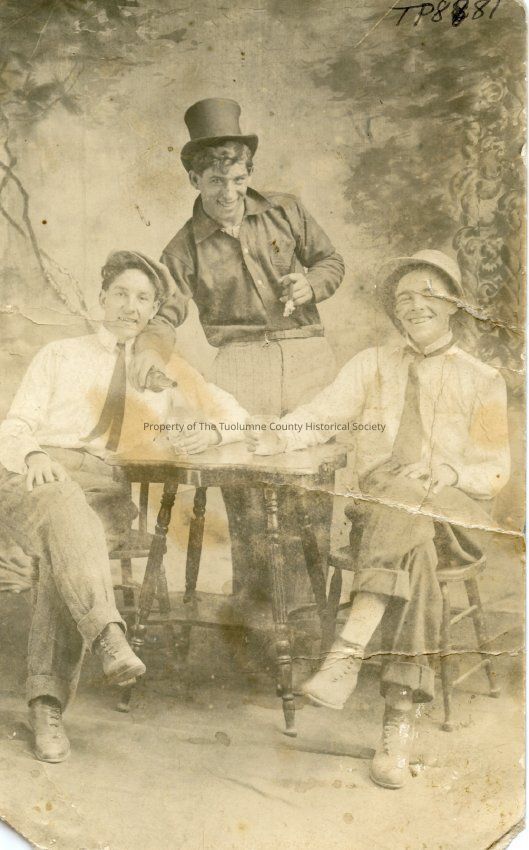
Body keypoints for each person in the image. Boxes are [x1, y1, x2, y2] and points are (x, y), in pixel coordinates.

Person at [247, 249, 510, 789]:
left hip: (454, 517)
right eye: (404, 297)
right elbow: (321, 415)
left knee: (413, 500)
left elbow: (495, 472)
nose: (415, 305)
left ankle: (348, 651)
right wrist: (269, 435)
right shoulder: (372, 364)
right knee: (414, 550)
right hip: (386, 518)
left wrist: (449, 473)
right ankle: (399, 721)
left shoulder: (481, 378)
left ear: (454, 303)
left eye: (429, 294)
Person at [0, 250, 248, 763]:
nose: (129, 307)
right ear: (102, 299)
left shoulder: (162, 368)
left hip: (105, 491)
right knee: (63, 511)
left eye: (142, 299)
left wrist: (212, 432)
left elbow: (237, 415)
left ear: (153, 310)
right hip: (35, 479)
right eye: (120, 294)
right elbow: (15, 425)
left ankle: (48, 705)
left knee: (68, 545)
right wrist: (34, 455)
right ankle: (106, 639)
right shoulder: (59, 354)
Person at [159, 97, 345, 626]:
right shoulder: (182, 248)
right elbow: (167, 311)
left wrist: (311, 285)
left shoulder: (287, 210)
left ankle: (310, 614)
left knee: (310, 485)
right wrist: (151, 350)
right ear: (194, 180)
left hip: (307, 359)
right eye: (215, 181)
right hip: (240, 367)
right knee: (246, 489)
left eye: (238, 179)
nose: (229, 193)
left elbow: (331, 262)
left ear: (249, 174)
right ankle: (258, 611)